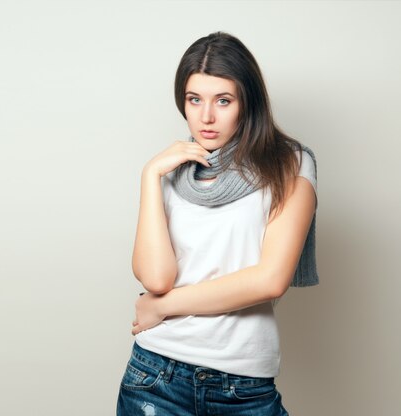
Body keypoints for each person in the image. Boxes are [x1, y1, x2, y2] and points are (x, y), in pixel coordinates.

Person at [116, 31, 318, 416]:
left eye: (223, 100)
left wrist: (164, 307)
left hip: (243, 386)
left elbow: (270, 280)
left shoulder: (288, 163)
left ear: (247, 103)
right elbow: (156, 279)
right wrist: (150, 175)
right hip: (155, 374)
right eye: (195, 100)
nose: (206, 117)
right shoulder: (175, 170)